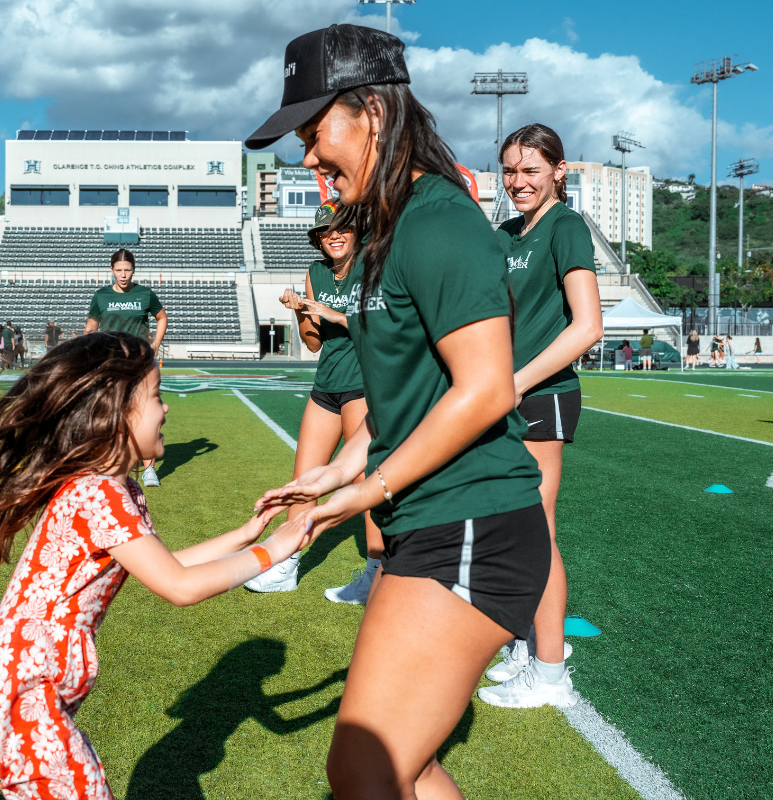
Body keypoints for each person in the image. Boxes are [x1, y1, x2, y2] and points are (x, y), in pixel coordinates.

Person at [247, 25, 550, 799]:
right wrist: (336, 474)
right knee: (398, 769)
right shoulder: (387, 230)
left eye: (314, 133)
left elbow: (485, 389)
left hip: (474, 524)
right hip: (432, 523)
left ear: (374, 114)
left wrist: (366, 491)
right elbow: (405, 398)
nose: (307, 158)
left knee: (365, 769)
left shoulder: (438, 221)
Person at [0, 331, 309, 800]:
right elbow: (180, 586)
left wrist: (245, 536)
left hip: (23, 683)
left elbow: (164, 566)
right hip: (23, 689)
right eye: (156, 396)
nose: (166, 408)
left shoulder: (119, 489)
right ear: (113, 413)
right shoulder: (99, 493)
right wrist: (273, 552)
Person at [478, 123, 603, 710]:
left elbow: (588, 325)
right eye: (509, 170)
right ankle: (525, 643)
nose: (518, 181)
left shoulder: (565, 225)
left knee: (536, 530)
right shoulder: (505, 233)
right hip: (501, 396)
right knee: (506, 527)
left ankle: (551, 673)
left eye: (531, 169)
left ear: (559, 170)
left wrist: (517, 382)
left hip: (540, 395)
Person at [245, 200, 383, 603]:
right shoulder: (315, 272)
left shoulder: (372, 264)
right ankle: (286, 566)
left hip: (363, 384)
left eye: (342, 228)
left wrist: (335, 314)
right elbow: (312, 342)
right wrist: (301, 311)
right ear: (318, 239)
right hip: (326, 385)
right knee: (304, 481)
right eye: (325, 231)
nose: (334, 235)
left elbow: (383, 325)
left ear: (356, 231)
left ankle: (377, 572)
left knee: (364, 482)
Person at [84, 248, 169, 487]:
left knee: (145, 413)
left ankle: (149, 469)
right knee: (111, 412)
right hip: (110, 363)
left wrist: (155, 344)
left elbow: (162, 318)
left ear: (134, 270)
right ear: (111, 270)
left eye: (128, 270)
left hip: (140, 362)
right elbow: (91, 326)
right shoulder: (100, 296)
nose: (123, 275)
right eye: (119, 270)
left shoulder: (145, 294)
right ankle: (112, 462)